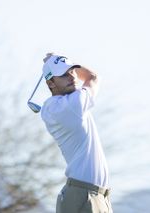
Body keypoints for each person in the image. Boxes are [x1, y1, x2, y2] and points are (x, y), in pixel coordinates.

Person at [40, 53, 113, 213]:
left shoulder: (50, 107)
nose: (72, 77)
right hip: (83, 195)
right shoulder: (74, 104)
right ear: (51, 83)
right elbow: (92, 77)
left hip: (97, 196)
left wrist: (57, 64)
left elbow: (86, 79)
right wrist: (67, 62)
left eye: (72, 71)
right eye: (64, 75)